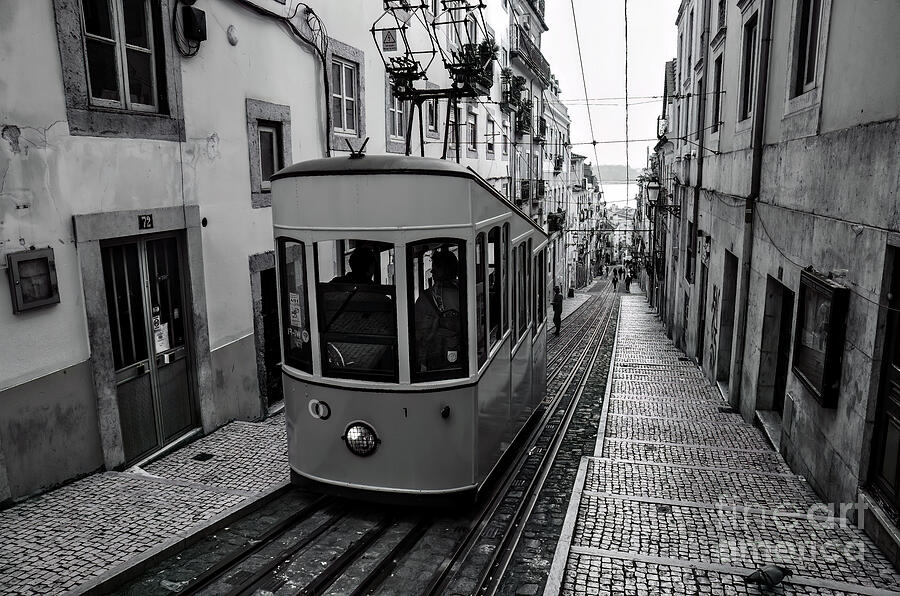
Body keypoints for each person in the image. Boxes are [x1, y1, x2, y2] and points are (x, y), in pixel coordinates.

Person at [415, 248, 462, 372]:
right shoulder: (466, 291)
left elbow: (420, 334)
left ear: (445, 269)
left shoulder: (426, 298)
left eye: (436, 267)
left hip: (436, 357)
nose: (432, 271)